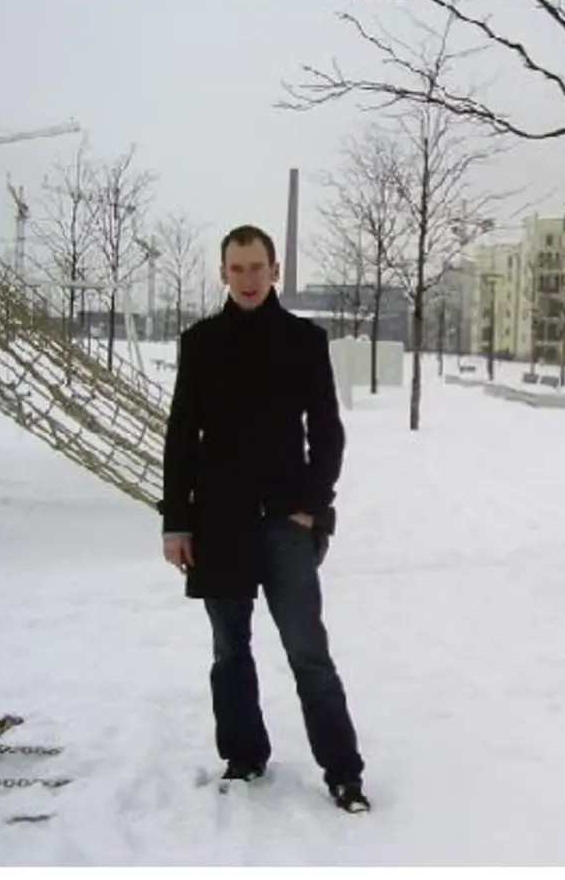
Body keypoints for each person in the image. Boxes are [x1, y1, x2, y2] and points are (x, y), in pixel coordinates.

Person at [157, 224, 368, 813]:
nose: (248, 279)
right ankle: (244, 755)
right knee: (230, 651)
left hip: (284, 521)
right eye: (237, 268)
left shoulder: (303, 340)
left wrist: (312, 504)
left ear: (275, 271)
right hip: (218, 521)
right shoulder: (200, 342)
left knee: (307, 651)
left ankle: (343, 769)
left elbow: (327, 430)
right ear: (223, 273)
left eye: (258, 267)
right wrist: (177, 522)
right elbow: (181, 437)